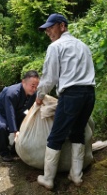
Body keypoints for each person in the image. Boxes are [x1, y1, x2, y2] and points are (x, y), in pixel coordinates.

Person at [36, 13, 96, 190]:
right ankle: (76, 175)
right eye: (46, 29)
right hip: (89, 94)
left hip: (71, 96)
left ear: (62, 26)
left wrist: (40, 96)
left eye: (51, 27)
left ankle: (48, 178)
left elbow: (49, 78)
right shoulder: (83, 45)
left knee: (56, 136)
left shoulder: (56, 47)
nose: (48, 31)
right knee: (78, 132)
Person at [0, 70, 40, 162]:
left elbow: (28, 109)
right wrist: (15, 131)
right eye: (32, 86)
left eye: (36, 86)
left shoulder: (33, 94)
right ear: (23, 82)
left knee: (25, 126)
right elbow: (9, 113)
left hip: (16, 113)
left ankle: (15, 150)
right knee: (3, 127)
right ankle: (4, 152)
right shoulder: (12, 92)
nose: (34, 89)